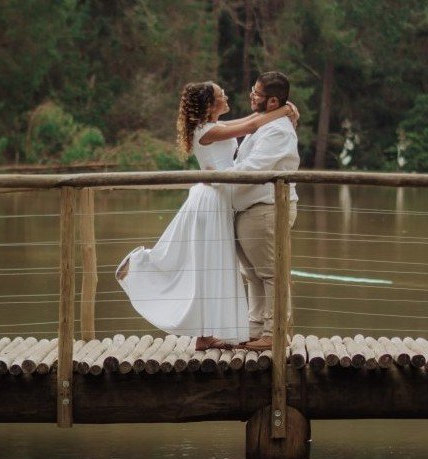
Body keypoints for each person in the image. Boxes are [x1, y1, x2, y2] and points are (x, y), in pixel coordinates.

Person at [116, 81, 296, 351]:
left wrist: (284, 109)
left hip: (221, 197)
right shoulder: (207, 130)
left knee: (212, 265)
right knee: (210, 264)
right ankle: (141, 267)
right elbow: (251, 125)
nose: (227, 96)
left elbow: (250, 120)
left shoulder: (213, 126)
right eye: (221, 95)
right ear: (210, 105)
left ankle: (206, 334)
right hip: (213, 198)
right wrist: (285, 110)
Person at [231, 72, 300, 352]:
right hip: (250, 208)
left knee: (271, 272)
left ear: (273, 101)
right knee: (253, 273)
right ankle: (256, 327)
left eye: (257, 93)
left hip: (267, 208)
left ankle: (274, 332)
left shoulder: (278, 130)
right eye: (253, 90)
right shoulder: (264, 123)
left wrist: (217, 179)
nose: (252, 96)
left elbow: (254, 168)